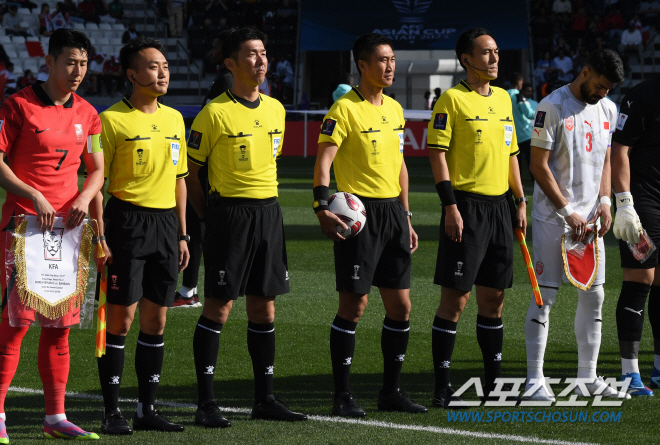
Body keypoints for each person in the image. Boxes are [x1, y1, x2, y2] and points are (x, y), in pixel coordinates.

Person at [0, 28, 102, 443]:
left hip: (70, 232)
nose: (77, 71)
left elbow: (98, 168)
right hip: (24, 228)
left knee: (60, 327)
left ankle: (56, 417)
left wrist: (85, 197)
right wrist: (33, 194)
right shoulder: (17, 106)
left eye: (83, 63)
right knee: (17, 323)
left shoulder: (88, 113)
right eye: (69, 61)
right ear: (49, 62)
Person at [186, 27, 307, 428]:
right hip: (230, 217)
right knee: (220, 307)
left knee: (264, 306)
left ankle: (265, 399)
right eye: (252, 54)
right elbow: (191, 173)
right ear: (231, 64)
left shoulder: (276, 109)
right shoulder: (213, 113)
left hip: (269, 214)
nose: (261, 61)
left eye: (264, 53)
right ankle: (206, 403)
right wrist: (206, 218)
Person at [313, 33, 426, 418]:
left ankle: (390, 391)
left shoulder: (395, 110)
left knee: (401, 306)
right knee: (355, 305)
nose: (390, 66)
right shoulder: (342, 110)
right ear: (362, 65)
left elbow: (399, 165)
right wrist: (321, 205)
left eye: (392, 59)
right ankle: (341, 396)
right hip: (358, 217)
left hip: (393, 213)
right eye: (382, 60)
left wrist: (406, 215)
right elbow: (324, 161)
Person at [92, 36, 189, 435]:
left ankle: (146, 410)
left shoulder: (175, 119)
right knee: (121, 318)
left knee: (156, 320)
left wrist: (183, 234)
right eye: (153, 66)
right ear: (132, 74)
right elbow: (96, 183)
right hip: (126, 222)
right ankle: (112, 411)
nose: (163, 72)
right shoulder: (108, 120)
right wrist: (99, 235)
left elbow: (181, 179)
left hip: (166, 225)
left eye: (165, 66)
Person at [428, 27, 527, 408]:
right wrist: (449, 206)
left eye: (497, 51)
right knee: (456, 299)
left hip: (501, 207)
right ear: (466, 59)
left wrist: (520, 200)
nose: (494, 58)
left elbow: (511, 154)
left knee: (494, 299)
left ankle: (494, 385)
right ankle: (442, 385)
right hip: (466, 207)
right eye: (486, 53)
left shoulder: (504, 99)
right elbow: (437, 155)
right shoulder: (451, 100)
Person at [525, 49, 629, 402]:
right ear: (584, 72)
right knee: (545, 297)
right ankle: (534, 380)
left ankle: (588, 377)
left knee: (595, 295)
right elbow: (537, 166)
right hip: (553, 220)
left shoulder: (609, 109)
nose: (603, 94)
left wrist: (604, 202)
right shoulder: (551, 106)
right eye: (600, 86)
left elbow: (603, 161)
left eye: (608, 89)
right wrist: (567, 210)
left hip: (590, 222)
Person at [172, 30, 234, 308]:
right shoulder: (226, 79)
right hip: (210, 165)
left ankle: (189, 291)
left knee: (198, 227)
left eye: (215, 46)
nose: (211, 51)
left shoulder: (226, 80)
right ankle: (191, 289)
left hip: (208, 167)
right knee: (199, 227)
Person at [611, 76, 660, 396]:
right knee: (639, 280)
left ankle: (658, 369)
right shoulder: (642, 95)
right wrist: (624, 203)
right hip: (643, 201)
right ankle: (630, 373)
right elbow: (619, 150)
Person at [507, 72, 536, 175]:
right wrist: (543, 113)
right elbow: (529, 114)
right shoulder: (519, 97)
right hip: (525, 135)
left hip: (510, 136)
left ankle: (518, 187)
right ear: (519, 83)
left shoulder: (503, 95)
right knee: (532, 164)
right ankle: (536, 188)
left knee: (515, 166)